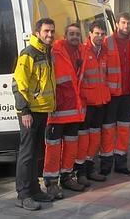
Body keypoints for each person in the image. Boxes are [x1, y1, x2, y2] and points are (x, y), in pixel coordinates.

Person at [12, 18, 57, 211]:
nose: (50, 34)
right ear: (37, 33)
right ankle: (23, 195)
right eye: (46, 31)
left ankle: (34, 190)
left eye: (52, 31)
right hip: (30, 112)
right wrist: (24, 111)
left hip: (42, 110)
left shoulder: (45, 52)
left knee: (36, 154)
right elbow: (18, 84)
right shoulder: (28, 54)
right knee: (27, 154)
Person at [43, 24, 87, 198]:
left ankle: (67, 177)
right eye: (71, 34)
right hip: (56, 111)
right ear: (65, 35)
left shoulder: (82, 52)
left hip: (75, 110)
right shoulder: (55, 51)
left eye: (77, 34)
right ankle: (51, 182)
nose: (74, 36)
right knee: (53, 148)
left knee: (71, 146)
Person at [100, 12, 130, 176]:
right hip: (110, 94)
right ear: (117, 24)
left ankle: (121, 163)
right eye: (123, 23)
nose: (126, 26)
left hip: (128, 94)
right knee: (108, 130)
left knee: (124, 130)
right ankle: (105, 163)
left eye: (129, 23)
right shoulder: (106, 41)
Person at [73, 20, 110, 185]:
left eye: (102, 34)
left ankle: (90, 168)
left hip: (100, 103)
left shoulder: (104, 52)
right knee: (83, 140)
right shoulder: (82, 50)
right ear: (90, 34)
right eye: (97, 33)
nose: (100, 37)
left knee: (95, 139)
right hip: (86, 104)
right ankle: (80, 172)